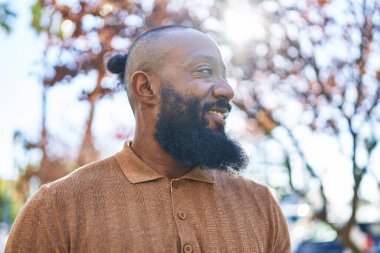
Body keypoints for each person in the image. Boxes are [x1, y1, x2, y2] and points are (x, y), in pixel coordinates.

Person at [5, 25, 291, 253]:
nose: (227, 90)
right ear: (146, 87)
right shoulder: (56, 208)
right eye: (205, 71)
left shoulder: (260, 204)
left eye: (224, 76)